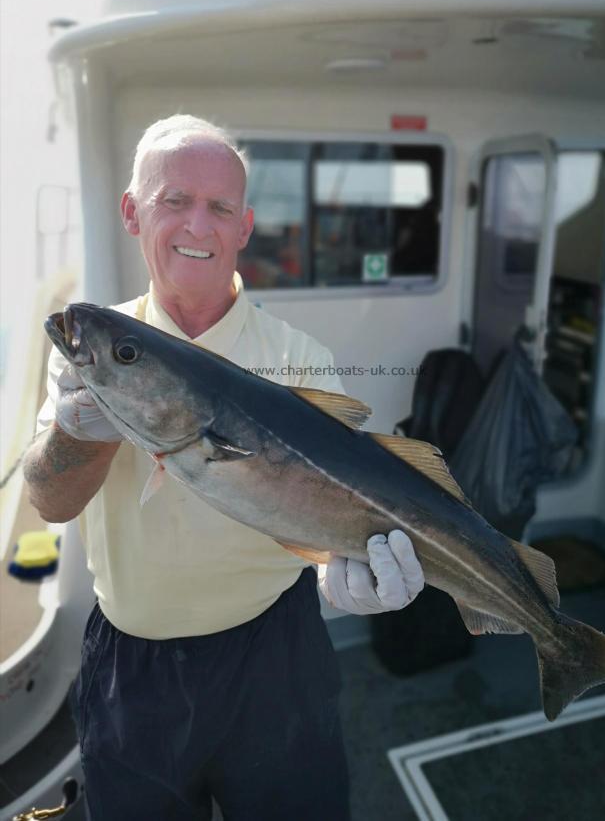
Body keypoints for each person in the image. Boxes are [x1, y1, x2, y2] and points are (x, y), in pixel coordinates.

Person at [24, 115, 425, 821]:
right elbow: (50, 502)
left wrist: (344, 577)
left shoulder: (298, 358)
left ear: (244, 226)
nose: (196, 226)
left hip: (277, 651)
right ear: (131, 211)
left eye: (219, 208)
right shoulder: (95, 347)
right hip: (133, 666)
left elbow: (322, 518)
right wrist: (78, 429)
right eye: (173, 200)